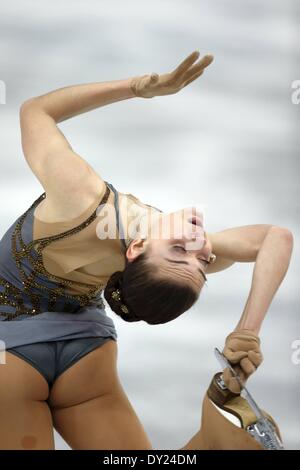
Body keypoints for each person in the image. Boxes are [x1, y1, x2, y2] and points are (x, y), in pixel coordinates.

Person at [0, 51, 293, 449]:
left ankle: (222, 424)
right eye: (199, 257)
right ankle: (219, 424)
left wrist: (138, 87)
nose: (201, 246)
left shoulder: (81, 197)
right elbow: (274, 238)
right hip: (81, 353)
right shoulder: (180, 248)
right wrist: (247, 331)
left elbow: (36, 111)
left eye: (188, 254)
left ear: (137, 249)